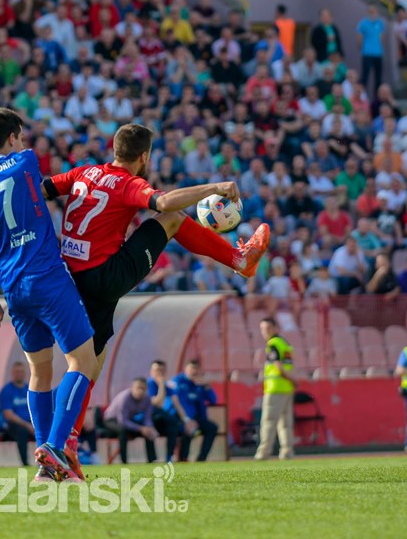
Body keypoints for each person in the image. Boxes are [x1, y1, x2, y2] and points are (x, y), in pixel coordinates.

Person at [41, 122, 269, 479]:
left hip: (72, 277)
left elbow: (42, 188)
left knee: (89, 365)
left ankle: (64, 448)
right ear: (144, 156)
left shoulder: (83, 172)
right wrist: (215, 186)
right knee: (172, 218)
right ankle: (241, 261)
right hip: (105, 274)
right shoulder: (128, 183)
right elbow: (162, 203)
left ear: (113, 148)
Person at [0, 108, 98, 482]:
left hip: (13, 289)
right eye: (19, 137)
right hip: (47, 277)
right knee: (84, 362)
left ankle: (45, 465)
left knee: (40, 371)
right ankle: (55, 447)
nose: (23, 143)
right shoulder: (25, 161)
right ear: (12, 139)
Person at [254, 317, 296, 460]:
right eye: (262, 329)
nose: (264, 332)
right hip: (286, 388)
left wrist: (291, 379)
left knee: (268, 421)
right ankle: (287, 451)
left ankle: (263, 452)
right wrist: (292, 381)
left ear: (275, 328)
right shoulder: (284, 343)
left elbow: (278, 366)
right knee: (285, 423)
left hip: (275, 388)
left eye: (267, 328)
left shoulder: (272, 344)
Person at [172, 359, 219, 462]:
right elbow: (179, 403)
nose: (194, 371)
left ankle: (201, 459)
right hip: (181, 417)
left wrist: (207, 386)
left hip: (197, 418)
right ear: (186, 369)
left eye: (196, 369)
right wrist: (188, 420)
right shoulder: (178, 382)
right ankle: (183, 459)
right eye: (192, 368)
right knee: (188, 429)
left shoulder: (200, 384)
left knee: (212, 428)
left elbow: (213, 400)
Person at [102, 378, 158, 464]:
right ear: (132, 388)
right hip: (111, 420)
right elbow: (122, 421)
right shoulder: (124, 398)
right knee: (123, 430)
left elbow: (147, 418)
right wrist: (140, 428)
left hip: (128, 420)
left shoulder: (147, 399)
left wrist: (149, 427)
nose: (140, 391)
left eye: (143, 388)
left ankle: (152, 460)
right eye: (138, 388)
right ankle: (124, 461)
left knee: (148, 431)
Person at [0, 361, 35, 466]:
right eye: (17, 371)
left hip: (31, 424)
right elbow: (8, 415)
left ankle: (48, 462)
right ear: (12, 373)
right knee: (22, 431)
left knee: (45, 430)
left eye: (21, 371)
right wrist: (27, 425)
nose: (19, 374)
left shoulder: (30, 389)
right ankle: (26, 463)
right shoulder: (7, 390)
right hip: (12, 426)